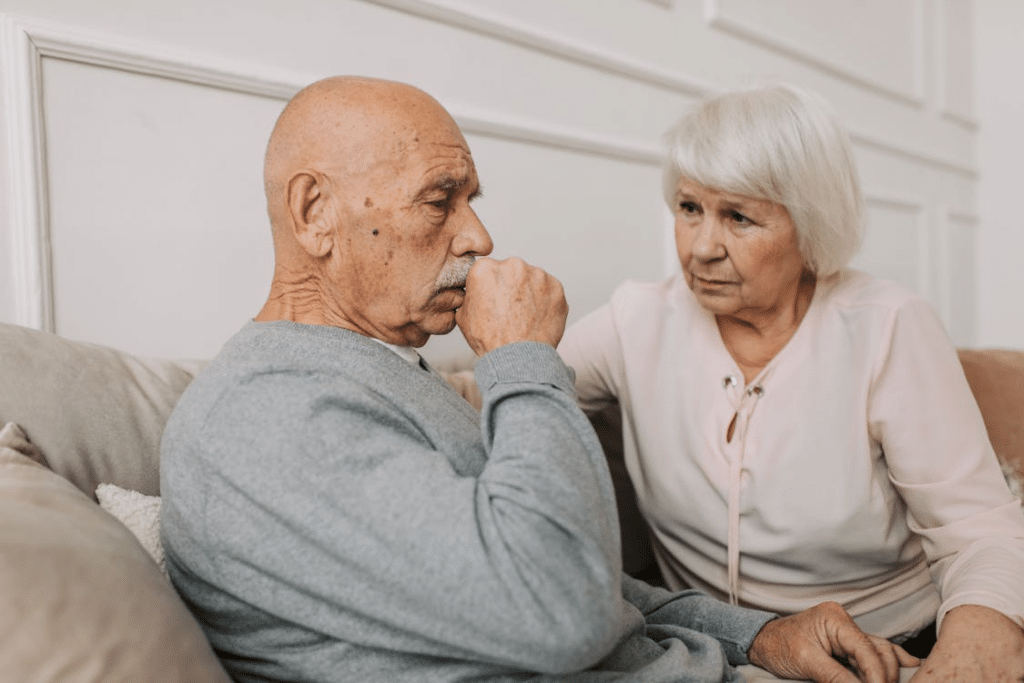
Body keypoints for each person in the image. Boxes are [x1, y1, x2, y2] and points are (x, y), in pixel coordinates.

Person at [159, 76, 916, 683]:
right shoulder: (264, 413)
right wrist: (521, 356)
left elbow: (590, 579)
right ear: (315, 212)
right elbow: (560, 605)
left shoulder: (376, 376)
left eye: (471, 200)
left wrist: (761, 635)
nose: (478, 236)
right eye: (439, 199)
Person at [558, 82, 1024, 683]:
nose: (702, 248)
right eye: (689, 208)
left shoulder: (887, 325)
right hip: (720, 649)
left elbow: (977, 529)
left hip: (893, 645)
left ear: (810, 228)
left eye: (739, 217)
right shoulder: (636, 321)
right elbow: (504, 394)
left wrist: (976, 640)